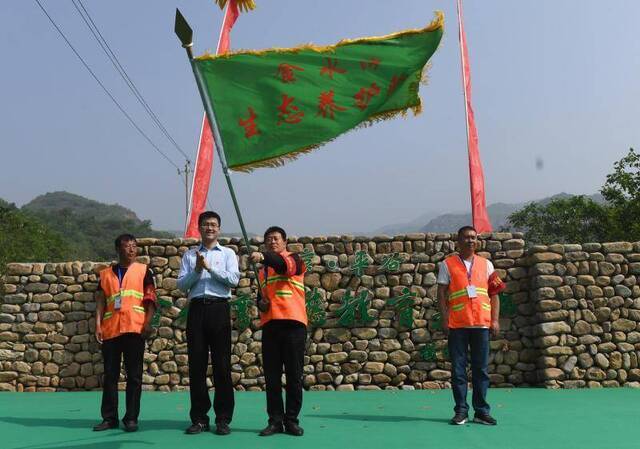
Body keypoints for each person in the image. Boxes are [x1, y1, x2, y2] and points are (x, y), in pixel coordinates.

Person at [177, 211, 240, 435]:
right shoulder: (190, 254)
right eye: (205, 225)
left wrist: (210, 268)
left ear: (219, 229)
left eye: (213, 225)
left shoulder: (228, 253)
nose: (209, 228)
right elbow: (182, 286)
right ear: (199, 228)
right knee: (197, 366)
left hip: (219, 309)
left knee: (222, 366)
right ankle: (200, 419)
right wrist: (196, 270)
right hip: (196, 310)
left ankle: (223, 418)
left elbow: (233, 280)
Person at [437, 226, 505, 426]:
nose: (470, 241)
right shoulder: (447, 264)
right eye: (466, 237)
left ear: (477, 241)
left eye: (473, 237)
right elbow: (441, 294)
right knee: (458, 370)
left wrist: (495, 320)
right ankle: (461, 411)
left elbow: (495, 294)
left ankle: (481, 411)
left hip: (481, 325)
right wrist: (444, 318)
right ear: (458, 241)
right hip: (457, 325)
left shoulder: (487, 264)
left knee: (481, 370)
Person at [93, 234, 157, 432]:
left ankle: (131, 418)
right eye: (127, 246)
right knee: (110, 376)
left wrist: (147, 323)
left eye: (134, 246)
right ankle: (109, 418)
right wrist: (97, 325)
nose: (131, 249)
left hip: (135, 328)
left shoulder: (144, 270)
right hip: (111, 330)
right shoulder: (105, 274)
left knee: (134, 376)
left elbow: (150, 299)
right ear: (117, 249)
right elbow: (101, 302)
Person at [250, 226, 307, 437]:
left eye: (276, 239)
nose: (272, 242)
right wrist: (261, 304)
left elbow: (284, 266)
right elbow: (261, 298)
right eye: (268, 240)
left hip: (293, 324)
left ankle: (291, 420)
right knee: (272, 377)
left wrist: (262, 256)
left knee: (294, 375)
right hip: (271, 325)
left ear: (285, 242)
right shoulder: (263, 271)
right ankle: (275, 420)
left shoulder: (294, 259)